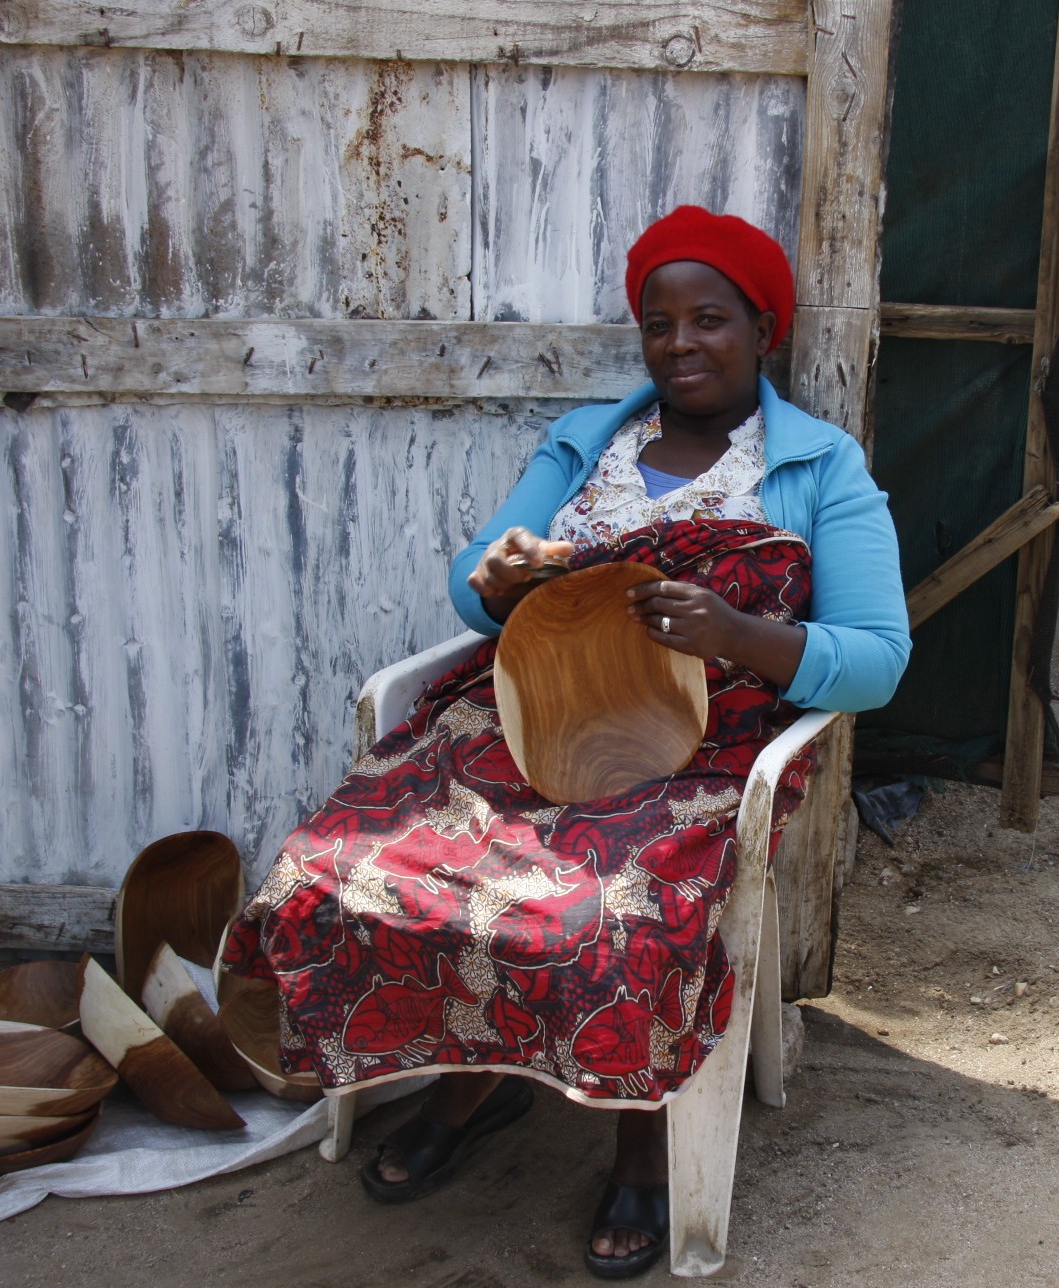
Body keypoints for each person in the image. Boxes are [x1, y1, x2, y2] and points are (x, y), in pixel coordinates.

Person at [221, 206, 910, 1278]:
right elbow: (477, 581)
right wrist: (494, 578)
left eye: (710, 318)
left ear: (762, 327)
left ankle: (641, 1135)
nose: (680, 342)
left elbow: (876, 655)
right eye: (657, 321)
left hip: (704, 749)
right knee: (337, 869)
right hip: (522, 715)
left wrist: (738, 634)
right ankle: (469, 1078)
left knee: (613, 915)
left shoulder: (819, 465)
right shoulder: (591, 439)